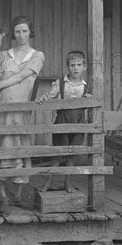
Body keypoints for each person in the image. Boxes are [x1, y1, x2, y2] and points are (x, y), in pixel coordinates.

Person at [0, 16, 45, 214]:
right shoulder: (3, 55)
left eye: (24, 31)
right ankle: (2, 197)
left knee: (21, 151)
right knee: (3, 151)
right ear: (12, 33)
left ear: (30, 32)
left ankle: (17, 194)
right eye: (17, 31)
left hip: (21, 111)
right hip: (2, 111)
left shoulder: (37, 56)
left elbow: (20, 77)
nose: (20, 35)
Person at [35, 50, 92, 193]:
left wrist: (88, 99)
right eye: (72, 65)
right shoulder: (60, 83)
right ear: (68, 67)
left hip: (79, 122)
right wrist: (42, 99)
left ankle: (68, 183)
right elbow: (49, 97)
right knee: (57, 153)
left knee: (71, 154)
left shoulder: (86, 86)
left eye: (79, 65)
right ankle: (47, 183)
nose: (76, 68)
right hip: (62, 120)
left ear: (84, 67)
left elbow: (88, 104)